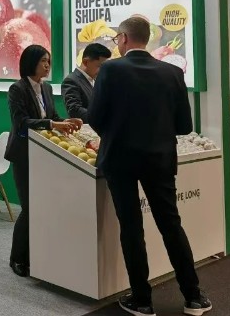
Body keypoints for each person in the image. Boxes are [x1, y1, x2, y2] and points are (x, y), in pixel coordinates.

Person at [89, 17, 211, 316]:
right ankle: (194, 297)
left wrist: (117, 131)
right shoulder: (172, 72)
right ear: (147, 39)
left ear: (123, 38)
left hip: (119, 159)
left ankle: (142, 300)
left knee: (131, 227)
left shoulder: (110, 70)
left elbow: (95, 117)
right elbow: (184, 126)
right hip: (159, 159)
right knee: (171, 224)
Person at [5, 45, 81, 277]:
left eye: (49, 61)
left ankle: (37, 255)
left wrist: (66, 121)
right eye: (43, 61)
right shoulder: (17, 89)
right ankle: (17, 258)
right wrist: (51, 124)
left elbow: (52, 116)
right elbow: (21, 123)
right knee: (29, 208)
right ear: (31, 63)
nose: (48, 65)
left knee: (43, 206)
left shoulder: (47, 88)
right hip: (24, 154)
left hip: (45, 154)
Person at [61, 42, 111, 123]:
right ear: (85, 62)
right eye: (100, 66)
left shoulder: (96, 80)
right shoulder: (71, 80)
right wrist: (101, 118)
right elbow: (74, 109)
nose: (103, 70)